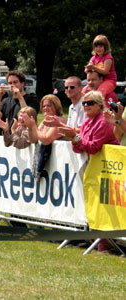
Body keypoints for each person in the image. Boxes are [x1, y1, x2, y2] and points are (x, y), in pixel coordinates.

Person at [59, 91, 119, 253]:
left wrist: (76, 138)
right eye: (84, 103)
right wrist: (74, 138)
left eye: (90, 103)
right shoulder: (86, 123)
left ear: (99, 105)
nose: (85, 106)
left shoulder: (103, 122)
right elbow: (77, 147)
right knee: (97, 204)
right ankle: (101, 241)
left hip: (109, 171)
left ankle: (108, 243)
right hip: (93, 170)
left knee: (109, 206)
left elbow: (93, 147)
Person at [84, 34, 117, 99]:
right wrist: (88, 69)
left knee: (100, 92)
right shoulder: (93, 58)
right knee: (84, 90)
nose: (98, 49)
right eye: (96, 46)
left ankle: (99, 105)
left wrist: (93, 67)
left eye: (101, 46)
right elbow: (86, 70)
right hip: (98, 80)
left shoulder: (108, 57)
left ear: (105, 47)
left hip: (109, 80)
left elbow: (106, 71)